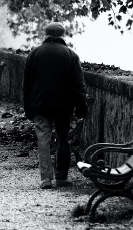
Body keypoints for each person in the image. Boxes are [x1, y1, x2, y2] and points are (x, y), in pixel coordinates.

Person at [23, 22, 88, 189]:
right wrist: (82, 107)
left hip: (40, 104)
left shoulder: (34, 54)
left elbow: (26, 85)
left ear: (46, 34)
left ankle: (45, 178)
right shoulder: (70, 55)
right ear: (62, 35)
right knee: (63, 139)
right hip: (63, 106)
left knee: (43, 139)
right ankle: (61, 177)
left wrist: (27, 108)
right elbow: (79, 85)